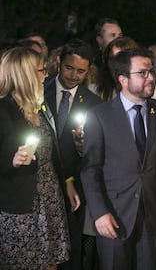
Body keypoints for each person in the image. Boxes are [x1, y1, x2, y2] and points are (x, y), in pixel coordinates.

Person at [81, 48, 156, 269]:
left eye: (151, 71)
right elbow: (90, 169)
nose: (151, 78)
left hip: (154, 215)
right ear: (123, 79)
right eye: (142, 73)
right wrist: (100, 213)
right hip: (114, 216)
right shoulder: (100, 116)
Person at [0, 47, 72, 269]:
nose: (46, 75)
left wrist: (68, 182)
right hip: (20, 202)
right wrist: (11, 161)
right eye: (41, 70)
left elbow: (53, 152)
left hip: (50, 197)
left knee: (51, 261)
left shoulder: (40, 106)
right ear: (25, 75)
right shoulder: (3, 109)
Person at [44, 38, 101, 270]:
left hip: (74, 186)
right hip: (43, 181)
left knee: (72, 247)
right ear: (59, 62)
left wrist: (83, 146)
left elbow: (96, 151)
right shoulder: (40, 91)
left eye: (81, 71)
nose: (74, 76)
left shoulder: (93, 103)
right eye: (69, 68)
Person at [95, 36, 140, 101]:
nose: (115, 64)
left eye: (120, 59)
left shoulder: (153, 92)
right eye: (111, 59)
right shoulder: (96, 91)